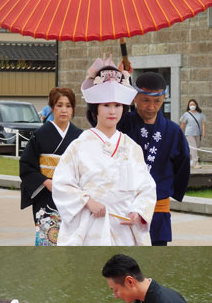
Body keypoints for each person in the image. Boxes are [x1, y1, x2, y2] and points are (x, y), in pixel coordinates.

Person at [52, 60, 156, 245]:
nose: (112, 111)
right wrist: (86, 202)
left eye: (117, 105)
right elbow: (61, 184)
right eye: (106, 105)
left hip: (125, 226)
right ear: (95, 109)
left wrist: (138, 211)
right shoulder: (79, 146)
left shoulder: (132, 148)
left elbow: (147, 187)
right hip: (91, 223)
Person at [118, 70, 190, 245]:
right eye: (145, 100)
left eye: (157, 101)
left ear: (164, 98)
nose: (151, 107)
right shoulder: (121, 124)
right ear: (135, 98)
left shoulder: (173, 131)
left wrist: (171, 189)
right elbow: (97, 116)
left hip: (157, 207)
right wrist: (122, 80)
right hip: (124, 205)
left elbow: (183, 164)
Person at [20, 87, 83, 245]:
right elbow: (26, 165)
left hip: (73, 196)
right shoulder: (40, 135)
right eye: (59, 105)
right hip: (47, 195)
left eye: (68, 106)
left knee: (74, 240)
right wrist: (47, 182)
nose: (64, 110)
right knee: (48, 238)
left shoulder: (80, 137)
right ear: (52, 107)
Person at [180, 99, 207, 169]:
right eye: (190, 105)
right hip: (189, 133)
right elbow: (183, 124)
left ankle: (187, 161)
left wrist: (204, 132)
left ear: (196, 105)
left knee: (195, 147)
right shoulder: (186, 114)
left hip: (197, 133)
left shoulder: (200, 114)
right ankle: (195, 163)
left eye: (193, 104)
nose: (192, 106)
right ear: (188, 106)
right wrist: (179, 132)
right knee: (193, 147)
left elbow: (203, 123)